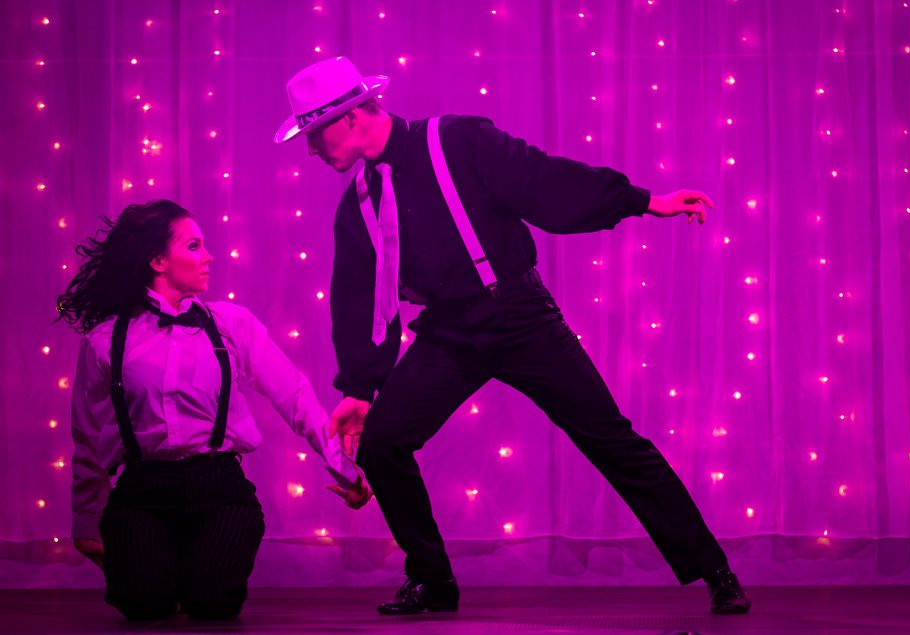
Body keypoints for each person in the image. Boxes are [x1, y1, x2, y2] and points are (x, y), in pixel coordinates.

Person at [274, 56, 750, 615]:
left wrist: (644, 201)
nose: (311, 149)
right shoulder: (358, 205)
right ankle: (431, 579)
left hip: (518, 315)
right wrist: (360, 387)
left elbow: (545, 183)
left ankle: (714, 570)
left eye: (315, 133)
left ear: (352, 116)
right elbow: (356, 298)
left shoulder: (456, 140)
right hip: (450, 331)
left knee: (609, 439)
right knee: (381, 443)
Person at [59, 199, 371, 621]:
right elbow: (87, 435)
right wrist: (85, 521)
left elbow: (294, 396)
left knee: (212, 603)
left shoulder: (231, 324)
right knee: (144, 605)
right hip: (142, 490)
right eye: (193, 246)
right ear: (157, 261)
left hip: (218, 488)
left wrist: (347, 470)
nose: (209, 256)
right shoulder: (105, 339)